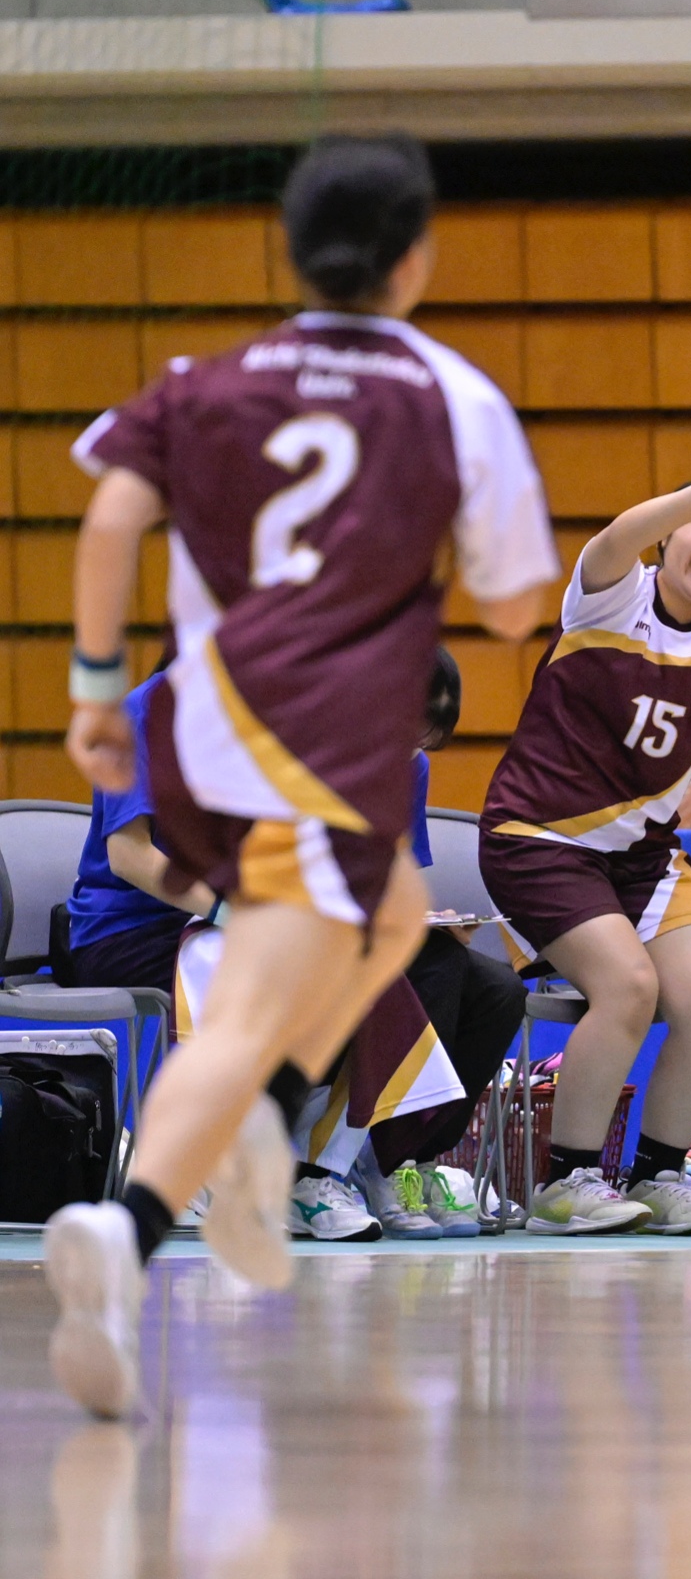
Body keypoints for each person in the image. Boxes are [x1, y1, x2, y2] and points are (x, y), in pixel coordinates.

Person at [46, 132, 557, 1419]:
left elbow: (111, 512)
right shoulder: (452, 396)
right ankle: (182, 1199)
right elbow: (513, 604)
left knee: (365, 941)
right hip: (327, 744)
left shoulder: (204, 382)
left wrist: (97, 688)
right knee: (330, 957)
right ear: (417, 256)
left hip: (209, 732)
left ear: (291, 246)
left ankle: (217, 1173)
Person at [480, 464, 691, 1236]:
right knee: (629, 988)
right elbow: (617, 535)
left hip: (641, 857)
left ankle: (660, 1174)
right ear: (669, 536)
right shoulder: (612, 596)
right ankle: (565, 1182)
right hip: (539, 840)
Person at [356, 646, 531, 1239]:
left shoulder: (412, 768)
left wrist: (430, 917)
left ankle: (423, 1157)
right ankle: (382, 1158)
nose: (412, 751)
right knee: (437, 967)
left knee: (499, 990)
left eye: (425, 740)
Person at [62, 668, 214, 992]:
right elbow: (129, 855)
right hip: (125, 932)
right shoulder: (141, 714)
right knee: (268, 981)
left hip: (193, 917)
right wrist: (226, 911)